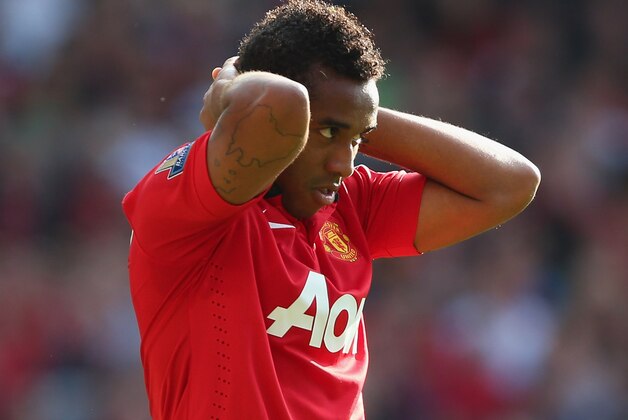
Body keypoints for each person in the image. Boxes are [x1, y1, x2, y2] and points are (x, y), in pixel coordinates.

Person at [122, 0, 541, 418]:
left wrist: (357, 117)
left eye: (357, 140)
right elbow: (280, 102)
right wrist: (233, 88)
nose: (346, 162)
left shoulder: (350, 203)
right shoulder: (190, 211)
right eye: (327, 132)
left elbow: (511, 183)